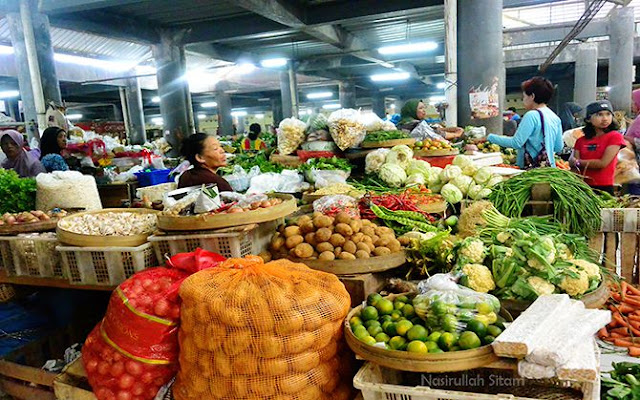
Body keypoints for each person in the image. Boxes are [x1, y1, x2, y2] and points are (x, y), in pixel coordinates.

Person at [487, 77, 563, 169]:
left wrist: (490, 137)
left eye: (524, 97)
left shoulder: (532, 115)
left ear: (532, 96)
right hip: (549, 170)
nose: (523, 100)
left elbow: (516, 143)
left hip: (531, 172)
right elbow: (558, 147)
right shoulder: (555, 118)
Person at [570, 100, 626, 194]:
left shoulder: (615, 137)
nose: (605, 118)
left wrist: (578, 162)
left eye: (608, 114)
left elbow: (602, 163)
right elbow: (575, 168)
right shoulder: (581, 141)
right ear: (588, 119)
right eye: (599, 114)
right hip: (582, 187)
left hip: (604, 187)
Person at [397, 99, 461, 140]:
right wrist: (457, 134)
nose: (424, 111)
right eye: (421, 108)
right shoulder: (411, 123)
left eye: (424, 108)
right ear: (412, 110)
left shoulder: (403, 123)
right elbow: (433, 135)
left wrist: (449, 129)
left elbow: (430, 129)